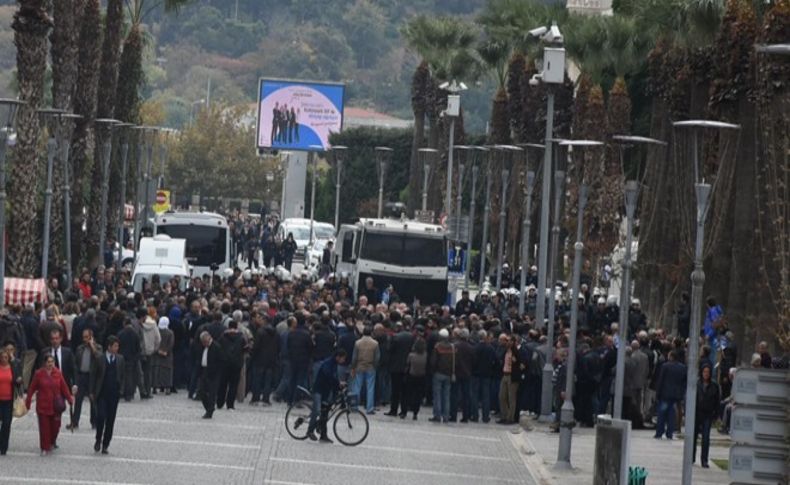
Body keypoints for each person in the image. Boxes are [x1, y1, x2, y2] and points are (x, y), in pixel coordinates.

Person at [26, 354, 74, 455]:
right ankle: (44, 447)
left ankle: (52, 441)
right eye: (48, 362)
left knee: (55, 427)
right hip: (43, 405)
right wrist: (28, 401)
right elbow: (32, 388)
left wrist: (69, 398)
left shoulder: (58, 373)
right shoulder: (38, 374)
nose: (50, 364)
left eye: (52, 362)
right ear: (44, 363)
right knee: (44, 428)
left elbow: (64, 387)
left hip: (55, 406)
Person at [89, 336, 125, 454]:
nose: (117, 348)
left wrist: (121, 390)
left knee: (111, 420)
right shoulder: (100, 358)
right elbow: (93, 375)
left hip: (114, 394)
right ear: (109, 347)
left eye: (117, 346)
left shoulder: (120, 359)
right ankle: (98, 439)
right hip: (102, 393)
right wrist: (92, 392)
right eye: (115, 346)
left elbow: (122, 375)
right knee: (101, 417)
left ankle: (106, 443)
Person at [307, 349, 347, 443]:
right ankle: (310, 431)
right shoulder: (328, 363)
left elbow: (334, 378)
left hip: (325, 391)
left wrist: (339, 386)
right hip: (318, 390)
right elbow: (329, 376)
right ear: (338, 357)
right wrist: (338, 383)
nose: (344, 361)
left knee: (325, 412)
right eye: (343, 358)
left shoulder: (334, 364)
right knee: (316, 411)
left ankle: (323, 435)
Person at [70, 328, 102, 430]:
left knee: (93, 400)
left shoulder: (98, 347)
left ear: (91, 337)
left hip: (92, 377)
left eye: (87, 337)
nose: (85, 339)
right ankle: (75, 422)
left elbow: (99, 359)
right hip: (81, 376)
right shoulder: (80, 348)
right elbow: (75, 364)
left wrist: (92, 346)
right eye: (83, 337)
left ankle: (94, 422)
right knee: (78, 400)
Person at [654, 350, 686, 440]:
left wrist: (658, 393)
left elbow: (661, 380)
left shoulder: (665, 366)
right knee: (671, 415)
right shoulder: (682, 367)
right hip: (676, 395)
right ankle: (669, 433)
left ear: (671, 356)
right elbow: (684, 382)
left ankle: (659, 432)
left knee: (662, 414)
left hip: (665, 394)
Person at [693, 364, 720, 468]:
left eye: (708, 372)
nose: (706, 374)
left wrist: (716, 414)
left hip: (707, 414)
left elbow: (717, 401)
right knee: (694, 436)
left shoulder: (714, 385)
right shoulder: (696, 383)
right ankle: (692, 457)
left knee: (706, 437)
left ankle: (704, 460)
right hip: (697, 413)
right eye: (704, 372)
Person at [350, 326, 379, 415]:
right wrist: (375, 366)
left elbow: (354, 357)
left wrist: (353, 367)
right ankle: (369, 408)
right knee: (370, 388)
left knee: (357, 387)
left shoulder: (358, 343)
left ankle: (354, 406)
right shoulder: (375, 343)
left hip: (359, 366)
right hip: (370, 367)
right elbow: (377, 358)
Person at [0, 347, 22, 455]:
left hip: (9, 400)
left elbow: (18, 379)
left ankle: (4, 447)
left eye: (6, 357)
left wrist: (18, 381)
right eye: (2, 357)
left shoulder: (12, 367)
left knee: (6, 424)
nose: (4, 359)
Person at [429, 328, 454, 423]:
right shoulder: (452, 347)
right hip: (449, 374)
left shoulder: (438, 347)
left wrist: (432, 370)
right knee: (446, 396)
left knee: (437, 395)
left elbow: (433, 361)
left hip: (438, 373)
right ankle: (446, 416)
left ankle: (437, 415)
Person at [198, 332, 223, 419]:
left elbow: (221, 361)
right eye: (203, 342)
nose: (204, 344)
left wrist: (216, 371)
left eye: (205, 342)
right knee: (201, 391)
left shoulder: (216, 347)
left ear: (209, 338)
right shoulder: (203, 347)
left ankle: (209, 411)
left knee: (212, 393)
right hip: (204, 370)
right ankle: (209, 408)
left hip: (214, 373)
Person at [404, 337, 427, 420]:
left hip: (411, 376)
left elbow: (407, 365)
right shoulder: (425, 355)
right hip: (421, 377)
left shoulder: (411, 355)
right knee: (418, 396)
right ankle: (415, 413)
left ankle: (404, 411)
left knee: (408, 394)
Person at [151, 317, 174, 395]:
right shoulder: (170, 332)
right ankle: (167, 387)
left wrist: (157, 350)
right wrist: (166, 351)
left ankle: (155, 387)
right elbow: (171, 343)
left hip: (156, 354)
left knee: (156, 371)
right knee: (167, 371)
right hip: (167, 355)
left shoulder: (156, 331)